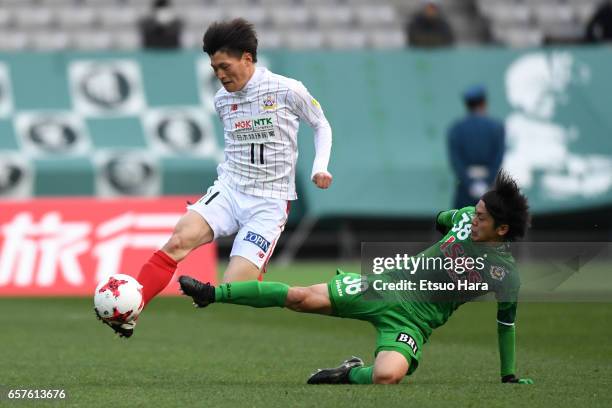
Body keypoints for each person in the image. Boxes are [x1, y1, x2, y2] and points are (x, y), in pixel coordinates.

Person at [179, 171, 533, 385]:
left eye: (482, 219)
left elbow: (507, 325)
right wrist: (448, 227)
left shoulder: (504, 275)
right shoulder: (465, 218)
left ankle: (347, 372)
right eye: (477, 212)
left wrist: (509, 375)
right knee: (300, 297)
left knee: (386, 377)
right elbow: (444, 218)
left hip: (414, 322)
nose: (474, 219)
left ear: (502, 229)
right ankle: (212, 293)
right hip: (384, 286)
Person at [99, 18, 333, 338]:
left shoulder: (287, 89)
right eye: (214, 69)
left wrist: (320, 166)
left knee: (236, 288)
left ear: (247, 58)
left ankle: (300, 295)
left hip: (269, 201)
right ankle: (131, 312)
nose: (220, 76)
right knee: (179, 240)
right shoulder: (222, 99)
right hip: (230, 189)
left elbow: (321, 124)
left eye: (225, 66)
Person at [448, 85, 505, 209]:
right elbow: (498, 157)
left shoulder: (456, 128)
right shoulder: (496, 127)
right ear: (484, 102)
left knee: (463, 224)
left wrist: (470, 184)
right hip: (489, 188)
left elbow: (456, 161)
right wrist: (486, 182)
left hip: (464, 188)